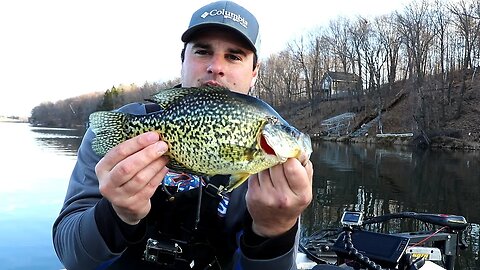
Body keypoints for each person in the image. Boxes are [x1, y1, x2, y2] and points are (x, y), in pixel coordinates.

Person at [52, 1, 313, 269]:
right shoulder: (128, 129)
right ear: (183, 60)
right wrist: (115, 214)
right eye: (202, 51)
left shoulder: (276, 170)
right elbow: (71, 255)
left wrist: (274, 230)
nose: (216, 67)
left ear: (254, 72)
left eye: (234, 56)